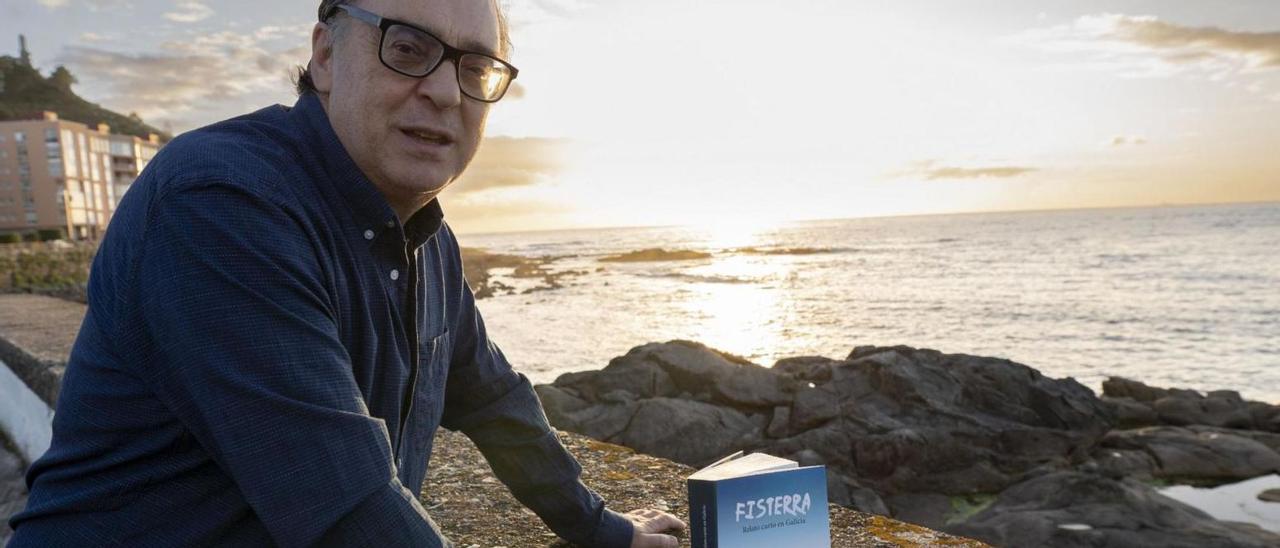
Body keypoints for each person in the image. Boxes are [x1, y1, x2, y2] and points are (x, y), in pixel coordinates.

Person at [7, 0, 686, 546]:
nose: (447, 92)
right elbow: (348, 506)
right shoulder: (221, 201)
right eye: (409, 49)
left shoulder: (430, 242)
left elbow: (493, 399)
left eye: (475, 68)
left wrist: (604, 531)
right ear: (326, 56)